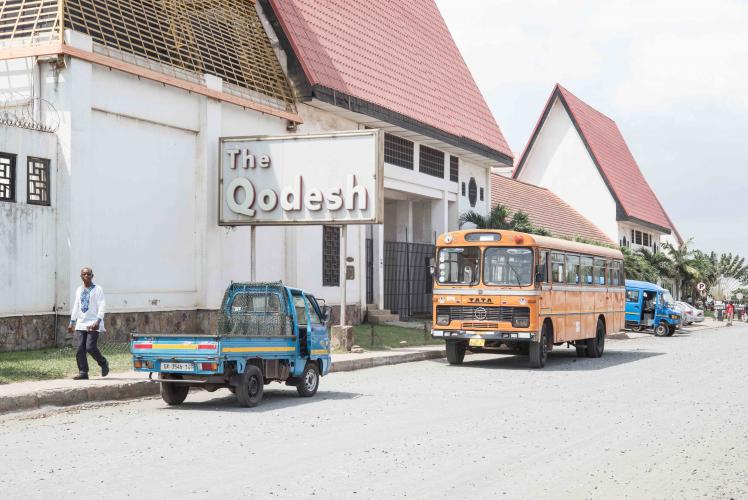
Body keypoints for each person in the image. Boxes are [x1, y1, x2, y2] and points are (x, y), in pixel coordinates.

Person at [68, 267, 109, 380]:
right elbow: (76, 306)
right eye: (84, 274)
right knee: (80, 348)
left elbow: (102, 305)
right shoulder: (79, 290)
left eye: (88, 274)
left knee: (90, 347)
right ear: (81, 276)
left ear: (92, 276)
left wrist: (98, 321)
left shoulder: (98, 289)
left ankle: (103, 363)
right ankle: (83, 372)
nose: (86, 276)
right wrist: (72, 322)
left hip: (93, 323)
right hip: (81, 323)